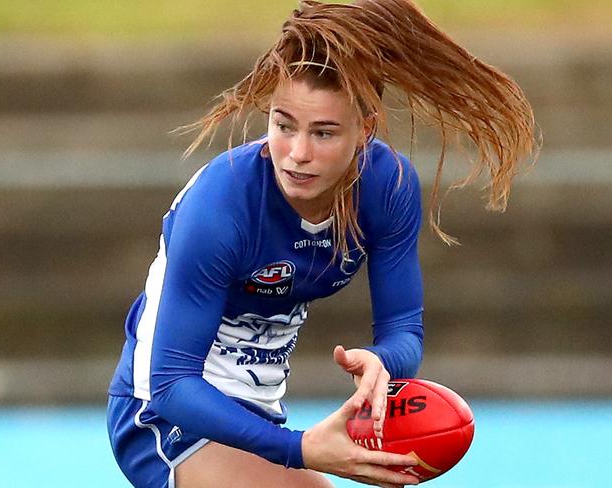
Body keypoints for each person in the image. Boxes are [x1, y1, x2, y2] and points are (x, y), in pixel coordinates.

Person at [107, 1, 537, 487]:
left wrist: (383, 362)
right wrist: (300, 448)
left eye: (324, 132)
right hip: (163, 414)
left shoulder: (387, 186)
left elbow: (403, 330)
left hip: (257, 412)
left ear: (365, 131)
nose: (297, 154)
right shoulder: (221, 207)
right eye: (283, 124)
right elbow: (171, 383)